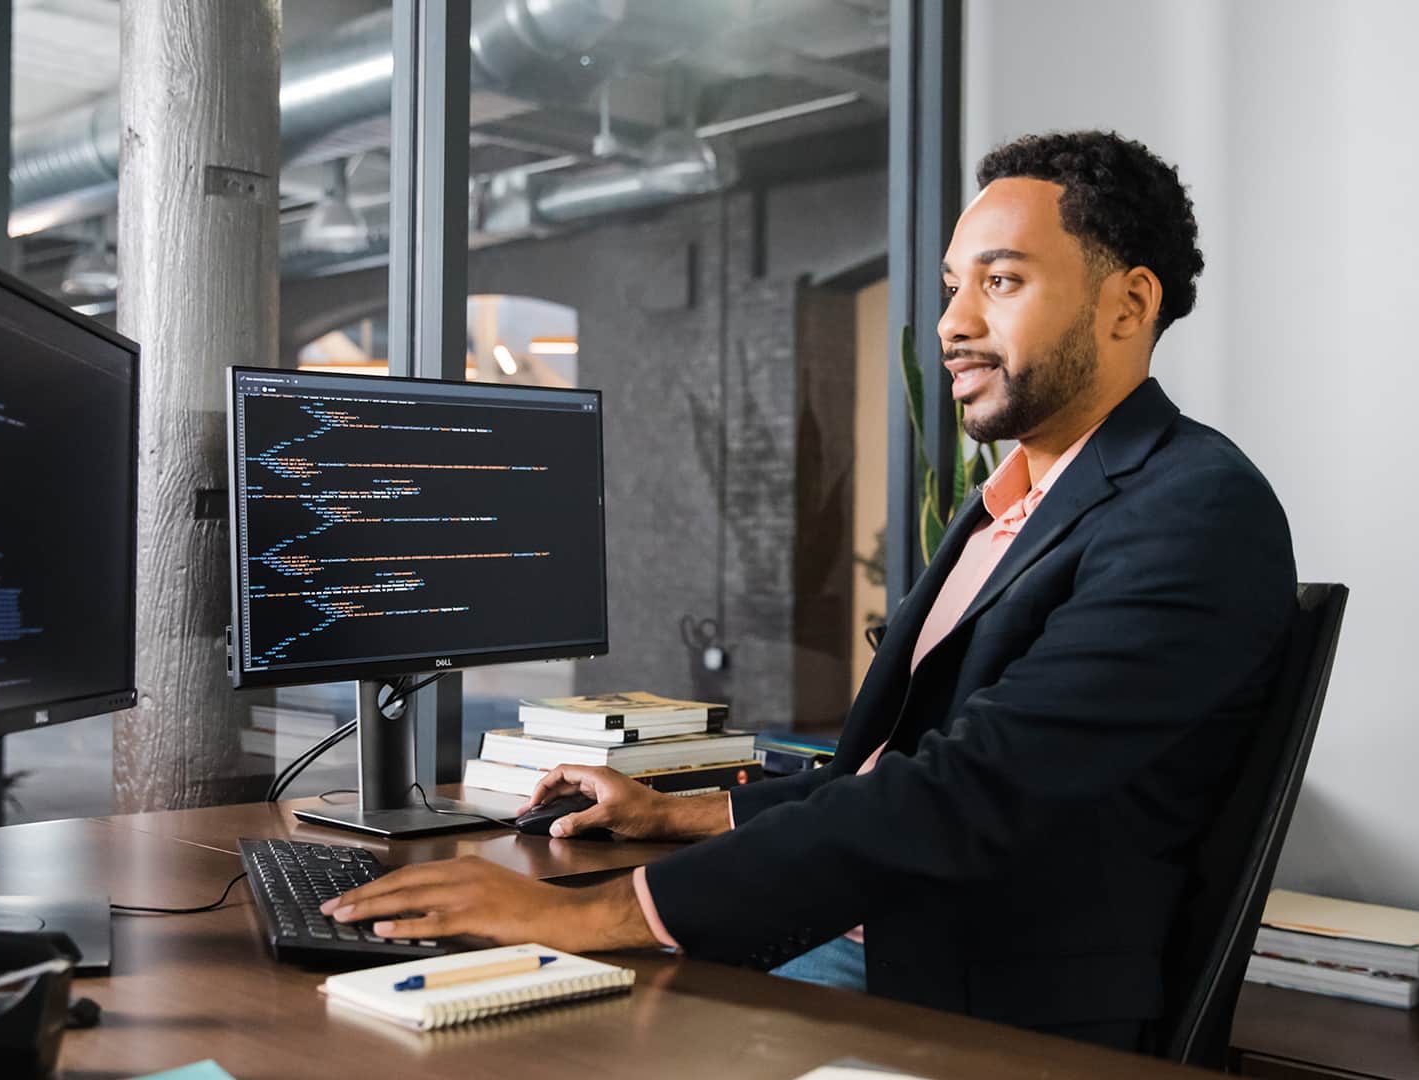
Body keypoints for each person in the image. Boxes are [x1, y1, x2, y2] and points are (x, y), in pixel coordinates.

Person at [322, 130, 1297, 1052]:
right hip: (862, 943)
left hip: (981, 1007)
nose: (954, 323)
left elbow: (972, 791)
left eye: (1002, 282)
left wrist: (597, 912)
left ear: (1128, 305)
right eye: (955, 286)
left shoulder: (1194, 511)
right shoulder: (1011, 505)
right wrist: (673, 815)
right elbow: (887, 770)